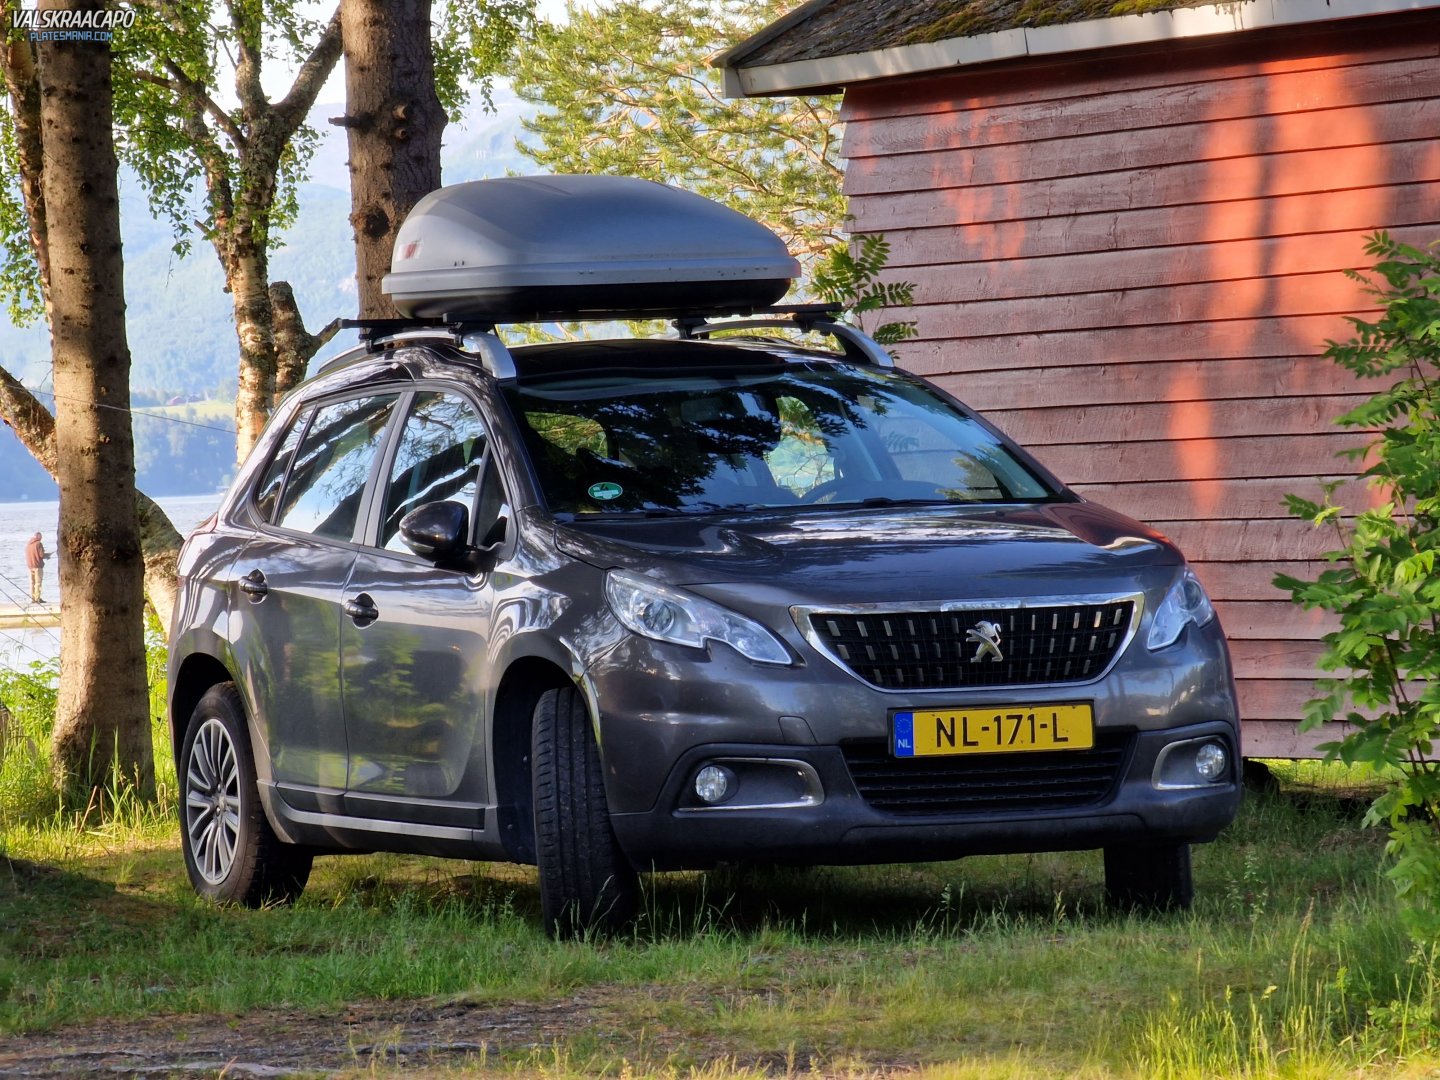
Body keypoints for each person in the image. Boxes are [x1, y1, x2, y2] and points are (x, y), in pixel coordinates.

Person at [25, 531, 49, 605]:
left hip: (30, 566)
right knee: (38, 583)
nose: (41, 539)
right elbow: (41, 555)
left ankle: (32, 598)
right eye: (41, 537)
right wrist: (47, 555)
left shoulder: (28, 544)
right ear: (38, 537)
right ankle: (37, 598)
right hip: (38, 566)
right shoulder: (38, 544)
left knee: (32, 583)